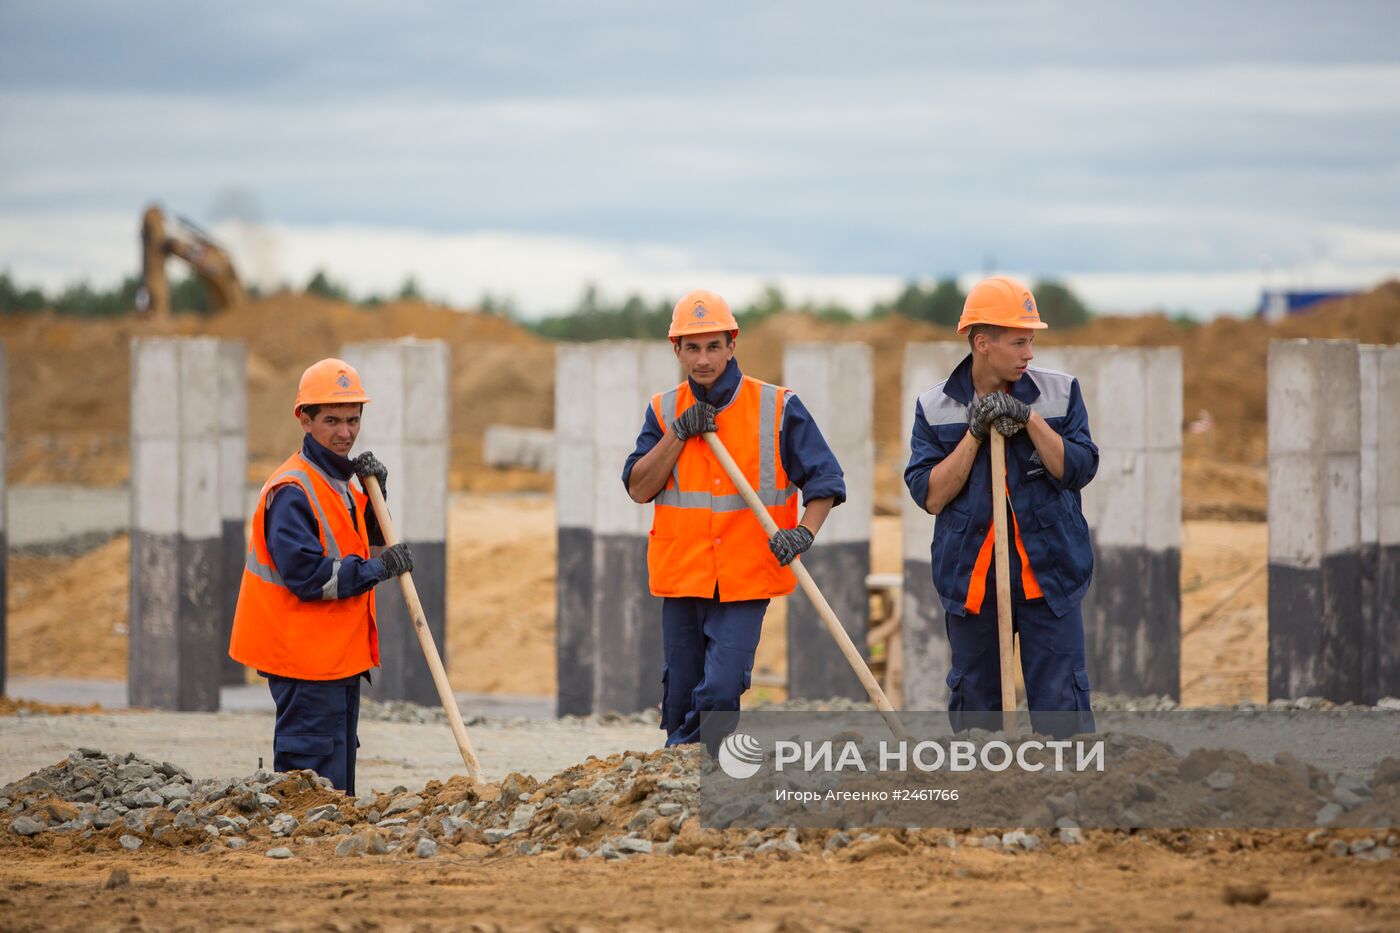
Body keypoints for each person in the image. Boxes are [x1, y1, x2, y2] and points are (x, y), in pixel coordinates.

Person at [623, 289, 845, 752]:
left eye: (713, 347)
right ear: (677, 349)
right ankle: (684, 770)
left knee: (721, 688)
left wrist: (804, 533)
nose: (704, 359)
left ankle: (688, 758)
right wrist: (678, 434)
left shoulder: (777, 407)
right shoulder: (663, 411)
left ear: (732, 344)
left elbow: (826, 482)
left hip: (746, 576)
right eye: (693, 348)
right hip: (684, 575)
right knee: (681, 688)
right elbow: (639, 487)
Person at [904, 276, 1098, 736]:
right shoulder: (936, 407)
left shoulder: (1060, 393)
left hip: (1048, 578)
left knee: (1062, 716)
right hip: (972, 583)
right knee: (978, 719)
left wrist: (1029, 419)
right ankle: (984, 801)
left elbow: (1079, 468)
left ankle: (1066, 799)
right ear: (982, 343)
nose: (1029, 353)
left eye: (1030, 341)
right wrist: (974, 434)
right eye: (1018, 342)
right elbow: (929, 495)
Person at [228, 358, 415, 794]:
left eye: (352, 420)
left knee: (337, 784)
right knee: (309, 787)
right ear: (304, 419)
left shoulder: (340, 481)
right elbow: (310, 577)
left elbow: (354, 539)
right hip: (304, 663)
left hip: (336, 660)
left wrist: (376, 497)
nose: (345, 433)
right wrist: (378, 569)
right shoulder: (293, 490)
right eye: (332, 420)